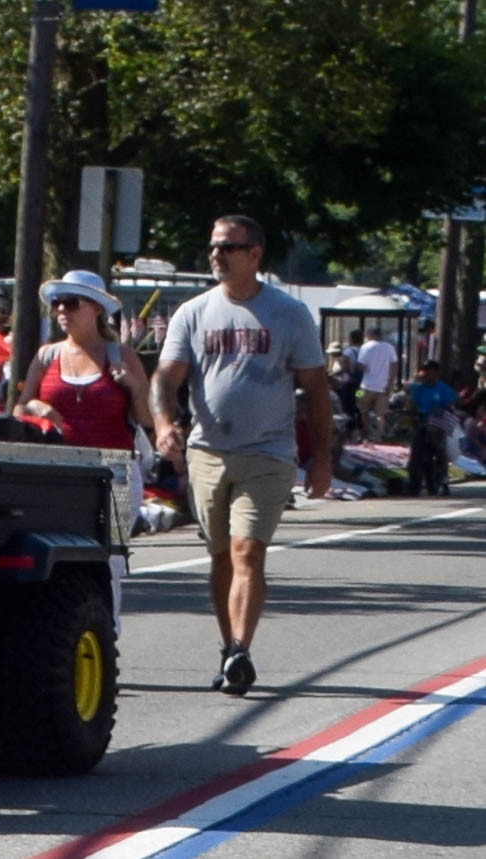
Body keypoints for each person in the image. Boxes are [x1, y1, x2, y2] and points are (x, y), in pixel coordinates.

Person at [151, 215, 331, 698]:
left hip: (268, 451)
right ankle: (228, 646)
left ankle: (241, 651)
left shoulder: (289, 314)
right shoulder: (193, 312)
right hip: (207, 451)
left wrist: (321, 459)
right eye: (213, 246)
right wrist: (165, 424)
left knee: (247, 550)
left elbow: (315, 390)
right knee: (219, 558)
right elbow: (166, 378)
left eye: (228, 247)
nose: (217, 255)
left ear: (255, 255)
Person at [14, 270, 151, 635]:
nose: (62, 310)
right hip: (59, 471)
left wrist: (134, 387)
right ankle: (68, 635)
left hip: (113, 470)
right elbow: (19, 408)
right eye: (57, 303)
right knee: (62, 557)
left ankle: (108, 635)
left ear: (95, 309)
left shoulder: (121, 356)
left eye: (71, 302)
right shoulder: (47, 356)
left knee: (109, 563)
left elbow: (146, 419)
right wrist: (37, 408)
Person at [406, 360, 456, 496]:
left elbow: (449, 408)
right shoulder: (418, 388)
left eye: (429, 370)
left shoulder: (443, 389)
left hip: (439, 421)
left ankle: (444, 479)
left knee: (438, 446)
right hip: (422, 420)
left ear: (436, 372)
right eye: (424, 370)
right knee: (416, 449)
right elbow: (412, 406)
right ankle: (414, 483)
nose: (426, 373)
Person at [355, 326, 398, 443]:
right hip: (383, 386)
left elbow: (360, 366)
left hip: (365, 386)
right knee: (381, 414)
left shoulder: (366, 347)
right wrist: (390, 383)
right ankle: (379, 436)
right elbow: (394, 366)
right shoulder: (390, 348)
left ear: (369, 335)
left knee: (363, 410)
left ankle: (365, 436)